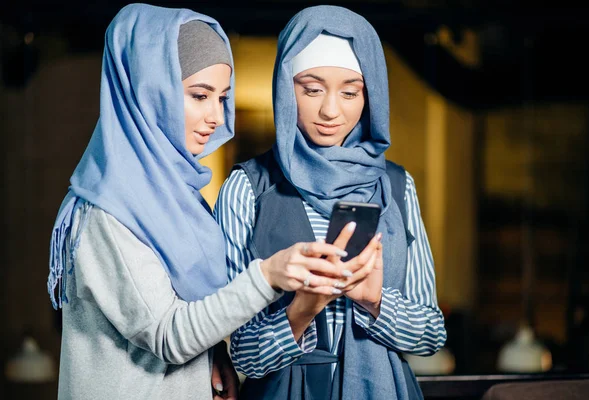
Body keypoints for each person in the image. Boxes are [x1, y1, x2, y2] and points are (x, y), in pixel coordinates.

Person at [46, 4, 372, 400]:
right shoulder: (105, 213)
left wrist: (216, 356)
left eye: (222, 98)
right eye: (200, 96)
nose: (217, 117)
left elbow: (186, 315)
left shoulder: (178, 199)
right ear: (149, 92)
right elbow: (168, 335)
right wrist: (267, 276)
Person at [215, 5, 447, 399]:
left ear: (370, 94)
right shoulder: (247, 188)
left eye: (350, 91)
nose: (330, 110)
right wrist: (303, 307)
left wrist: (374, 302)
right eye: (312, 88)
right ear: (286, 89)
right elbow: (243, 355)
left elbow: (430, 333)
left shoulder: (395, 185)